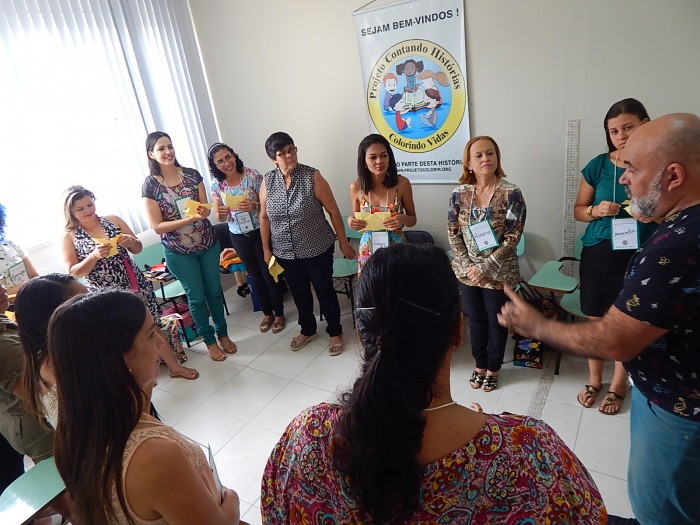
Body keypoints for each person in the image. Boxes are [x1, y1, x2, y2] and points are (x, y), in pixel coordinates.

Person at [261, 243, 607, 523]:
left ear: (361, 334)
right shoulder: (529, 454)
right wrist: (481, 427)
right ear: (458, 330)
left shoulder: (307, 439)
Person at [499, 113, 700, 525]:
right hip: (674, 395)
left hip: (680, 415)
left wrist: (537, 325)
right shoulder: (680, 225)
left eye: (633, 168)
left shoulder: (679, 243)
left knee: (660, 511)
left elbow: (616, 340)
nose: (623, 178)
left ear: (674, 176)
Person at [48, 289, 241, 525]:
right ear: (119, 358)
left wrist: (143, 381)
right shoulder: (155, 457)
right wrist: (232, 499)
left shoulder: (76, 431)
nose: (161, 342)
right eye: (150, 334)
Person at [573, 98, 657, 414]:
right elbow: (578, 210)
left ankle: (618, 385)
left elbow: (677, 212)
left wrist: (651, 215)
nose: (620, 136)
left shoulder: (659, 164)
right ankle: (594, 380)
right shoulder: (597, 165)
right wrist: (595, 211)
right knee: (596, 319)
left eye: (627, 127)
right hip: (599, 251)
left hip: (642, 253)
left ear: (645, 124)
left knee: (627, 322)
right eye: (614, 131)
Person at [62, 185, 198, 380]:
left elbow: (138, 249)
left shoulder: (113, 220)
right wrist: (93, 256)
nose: (88, 211)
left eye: (90, 204)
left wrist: (131, 242)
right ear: (71, 212)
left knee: (151, 327)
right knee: (121, 336)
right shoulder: (70, 237)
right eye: (80, 208)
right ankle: (137, 377)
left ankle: (174, 367)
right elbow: (74, 271)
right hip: (104, 294)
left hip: (134, 283)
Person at [143, 131, 236, 362]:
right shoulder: (150, 186)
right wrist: (187, 219)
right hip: (179, 251)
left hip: (207, 243)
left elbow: (204, 207)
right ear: (151, 154)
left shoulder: (192, 175)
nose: (168, 152)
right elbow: (157, 226)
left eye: (170, 146)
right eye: (161, 148)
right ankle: (210, 341)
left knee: (214, 292)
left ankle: (223, 334)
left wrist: (203, 212)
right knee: (196, 298)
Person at [259, 132, 356, 356]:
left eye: (291, 150)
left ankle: (335, 331)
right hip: (284, 251)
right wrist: (266, 249)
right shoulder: (268, 181)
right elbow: (264, 217)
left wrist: (343, 241)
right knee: (299, 293)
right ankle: (308, 329)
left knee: (324, 290)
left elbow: (333, 211)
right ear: (273, 159)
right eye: (282, 153)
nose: (289, 156)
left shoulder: (312, 176)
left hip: (317, 247)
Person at [447, 136, 526, 392]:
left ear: (497, 158)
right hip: (467, 272)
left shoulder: (511, 193)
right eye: (478, 155)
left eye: (490, 153)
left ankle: (493, 368)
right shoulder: (459, 194)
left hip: (499, 272)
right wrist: (469, 266)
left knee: (496, 321)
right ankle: (479, 364)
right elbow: (453, 234)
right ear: (468, 163)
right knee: (476, 319)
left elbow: (513, 237)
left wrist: (484, 268)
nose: (485, 159)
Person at [208, 142, 286, 334]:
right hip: (238, 235)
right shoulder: (217, 185)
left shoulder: (252, 176)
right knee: (255, 276)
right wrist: (221, 213)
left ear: (234, 155)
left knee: (268, 274)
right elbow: (218, 215)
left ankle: (279, 313)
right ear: (215, 166)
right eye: (220, 161)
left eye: (228, 157)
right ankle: (267, 313)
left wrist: (254, 206)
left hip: (260, 231)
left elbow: (269, 205)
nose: (226, 163)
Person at [0, 281, 54, 493]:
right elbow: (37, 393)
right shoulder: (3, 344)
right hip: (37, 426)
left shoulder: (4, 319)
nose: (2, 289)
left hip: (33, 420)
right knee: (62, 479)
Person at [15, 274, 87, 429]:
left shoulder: (63, 353)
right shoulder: (62, 371)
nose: (96, 304)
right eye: (84, 301)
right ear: (57, 316)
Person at [347, 134, 417, 273]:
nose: (379, 161)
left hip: (397, 248)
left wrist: (403, 218)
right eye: (373, 157)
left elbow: (413, 220)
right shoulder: (356, 187)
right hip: (368, 250)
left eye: (384, 156)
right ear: (364, 162)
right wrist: (351, 220)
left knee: (400, 284)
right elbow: (356, 220)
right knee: (371, 285)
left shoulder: (402, 183)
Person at [0, 202, 39, 296]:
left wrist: (26, 286)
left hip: (31, 295)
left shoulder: (12, 245)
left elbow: (35, 276)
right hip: (8, 303)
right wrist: (11, 291)